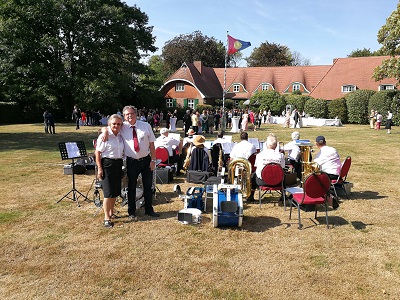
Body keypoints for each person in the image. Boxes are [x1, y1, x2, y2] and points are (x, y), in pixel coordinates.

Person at [102, 106, 159, 220]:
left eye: (131, 114)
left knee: (148, 186)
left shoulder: (146, 126)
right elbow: (108, 127)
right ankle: (131, 211)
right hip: (132, 161)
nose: (129, 116)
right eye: (127, 114)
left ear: (136, 114)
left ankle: (149, 209)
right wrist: (104, 131)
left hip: (146, 160)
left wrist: (153, 160)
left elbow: (152, 145)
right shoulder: (122, 126)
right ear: (124, 116)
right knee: (131, 187)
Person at [95, 114, 124, 228]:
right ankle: (106, 218)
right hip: (107, 164)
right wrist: (100, 168)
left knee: (115, 191)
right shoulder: (104, 136)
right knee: (107, 192)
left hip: (118, 164)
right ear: (109, 124)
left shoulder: (121, 135)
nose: (116, 126)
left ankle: (111, 212)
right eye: (114, 124)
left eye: (118, 124)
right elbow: (97, 152)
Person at [247, 133, 285, 202]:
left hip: (262, 181)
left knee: (254, 175)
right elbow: (282, 167)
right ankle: (284, 195)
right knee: (284, 174)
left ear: (266, 144)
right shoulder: (281, 155)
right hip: (278, 181)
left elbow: (256, 166)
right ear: (276, 145)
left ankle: (251, 195)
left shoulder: (260, 155)